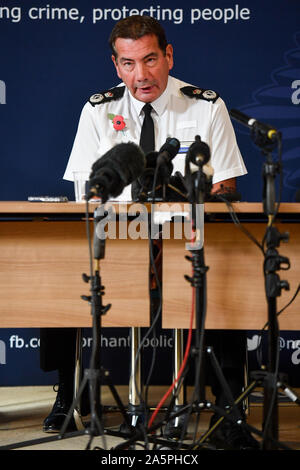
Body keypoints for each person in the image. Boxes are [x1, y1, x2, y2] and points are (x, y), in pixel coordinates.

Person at [41, 15, 258, 449]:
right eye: (128, 63)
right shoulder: (98, 110)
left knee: (225, 268)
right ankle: (70, 393)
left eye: (151, 60)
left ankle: (229, 405)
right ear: (116, 66)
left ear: (169, 56)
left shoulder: (205, 105)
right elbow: (86, 193)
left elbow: (225, 188)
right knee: (59, 267)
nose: (141, 75)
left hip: (186, 240)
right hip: (120, 239)